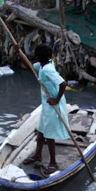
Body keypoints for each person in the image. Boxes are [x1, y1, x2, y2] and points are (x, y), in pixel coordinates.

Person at [23, 44, 69, 175]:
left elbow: (63, 83)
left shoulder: (48, 69)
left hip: (53, 104)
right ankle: (38, 155)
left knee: (48, 134)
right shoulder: (44, 65)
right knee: (41, 130)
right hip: (46, 103)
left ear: (38, 57)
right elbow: (29, 66)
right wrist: (19, 52)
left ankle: (53, 163)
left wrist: (56, 99)